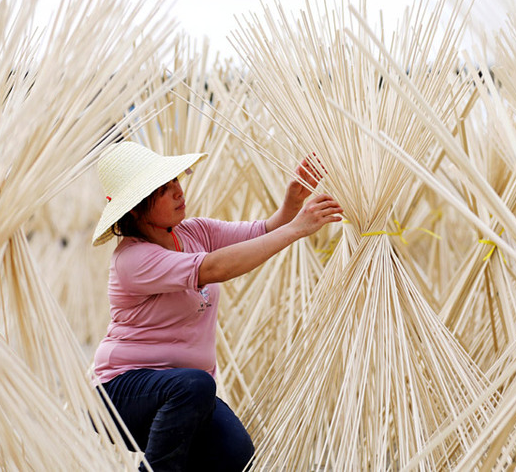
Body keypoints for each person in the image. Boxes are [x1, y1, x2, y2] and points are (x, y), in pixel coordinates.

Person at [91, 141, 343, 471]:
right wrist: (298, 229)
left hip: (184, 395)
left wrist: (292, 205)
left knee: (236, 453)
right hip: (122, 393)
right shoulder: (133, 259)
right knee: (196, 385)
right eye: (164, 190)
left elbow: (262, 232)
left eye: (175, 181)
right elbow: (214, 268)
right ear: (136, 209)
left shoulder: (195, 232)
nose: (178, 192)